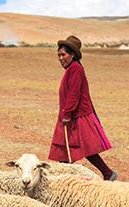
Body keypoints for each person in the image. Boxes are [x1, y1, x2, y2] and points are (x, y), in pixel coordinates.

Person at [47, 35, 117, 181]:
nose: (60, 58)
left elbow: (73, 94)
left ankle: (107, 173)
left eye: (63, 55)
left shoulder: (75, 69)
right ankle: (66, 179)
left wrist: (66, 113)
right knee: (66, 148)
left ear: (72, 55)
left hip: (77, 115)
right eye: (58, 55)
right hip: (71, 115)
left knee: (82, 147)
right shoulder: (72, 69)